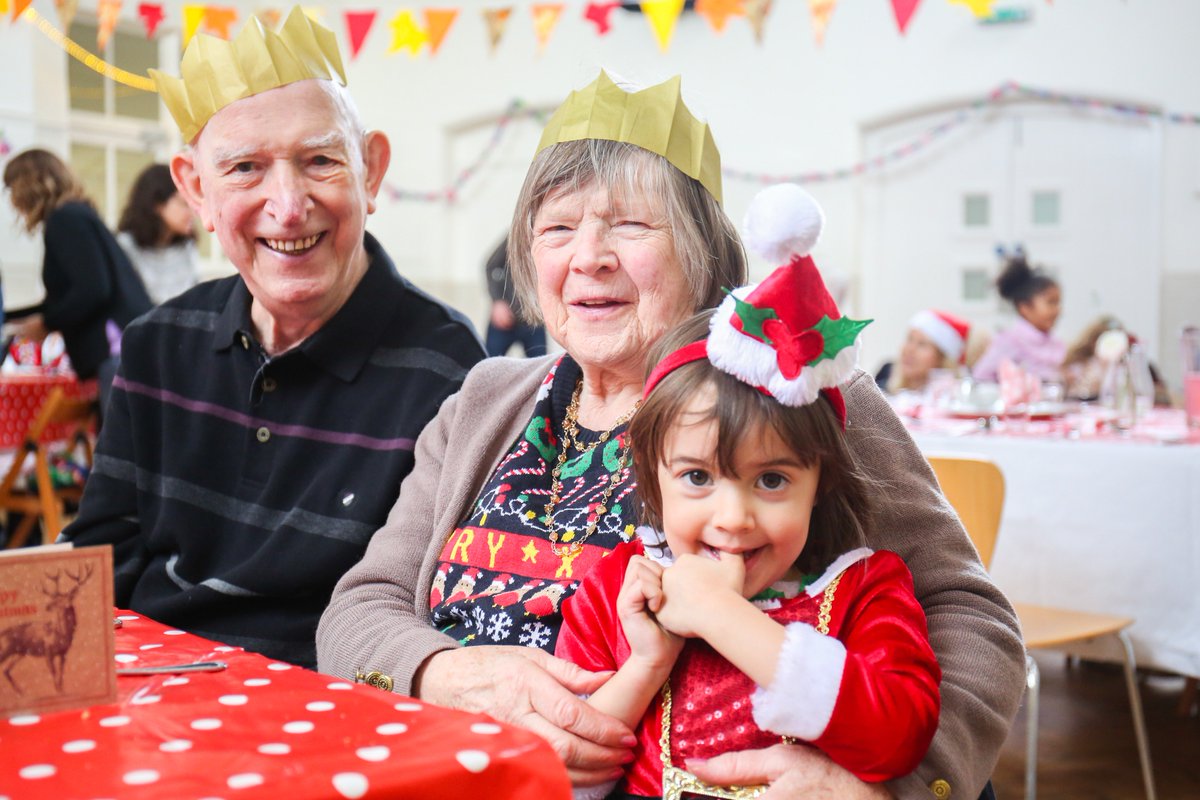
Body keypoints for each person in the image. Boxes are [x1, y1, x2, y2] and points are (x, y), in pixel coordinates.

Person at [318, 74, 1023, 800]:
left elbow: (973, 617)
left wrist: (895, 789)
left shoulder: (791, 395)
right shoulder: (485, 399)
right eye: (557, 228)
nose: (587, 256)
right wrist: (443, 673)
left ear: (703, 254)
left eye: (629, 224)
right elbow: (361, 608)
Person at [59, 8, 485, 669]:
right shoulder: (155, 347)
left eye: (319, 160)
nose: (287, 206)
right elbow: (97, 572)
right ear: (195, 189)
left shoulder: (449, 370)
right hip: (154, 699)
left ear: (370, 172)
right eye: (245, 169)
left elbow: (439, 603)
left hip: (337, 714)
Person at [557, 247, 941, 798]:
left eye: (771, 481)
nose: (733, 520)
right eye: (696, 478)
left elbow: (898, 739)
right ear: (653, 477)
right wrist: (647, 663)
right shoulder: (620, 589)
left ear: (820, 483)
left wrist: (720, 614)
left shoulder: (866, 591)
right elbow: (566, 771)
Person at [2, 148, 153, 409]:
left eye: (11, 187)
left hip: (115, 350)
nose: (12, 199)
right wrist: (15, 317)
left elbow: (93, 290)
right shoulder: (78, 215)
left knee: (123, 445)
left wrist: (47, 322)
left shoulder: (64, 220)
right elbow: (77, 290)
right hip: (129, 347)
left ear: (27, 185)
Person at [972, 251, 1065, 383]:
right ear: (1025, 307)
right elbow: (981, 376)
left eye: (1058, 303)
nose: (1057, 310)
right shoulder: (1011, 341)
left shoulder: (1055, 344)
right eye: (1051, 302)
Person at [117, 163, 201, 304]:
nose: (194, 213)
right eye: (184, 204)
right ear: (157, 204)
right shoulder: (125, 247)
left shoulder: (187, 247)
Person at [1062, 315, 1171, 405]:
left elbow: (1157, 396)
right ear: (1094, 344)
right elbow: (1075, 397)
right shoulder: (1080, 368)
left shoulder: (1134, 368)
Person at [875, 309, 971, 394]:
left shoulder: (952, 400)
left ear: (941, 358)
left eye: (922, 344)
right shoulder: (882, 382)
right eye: (909, 339)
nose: (910, 349)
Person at [485, 235, 547, 357]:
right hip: (506, 316)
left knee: (541, 368)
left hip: (535, 319)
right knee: (489, 365)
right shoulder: (518, 234)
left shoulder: (550, 238)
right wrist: (498, 301)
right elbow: (491, 266)